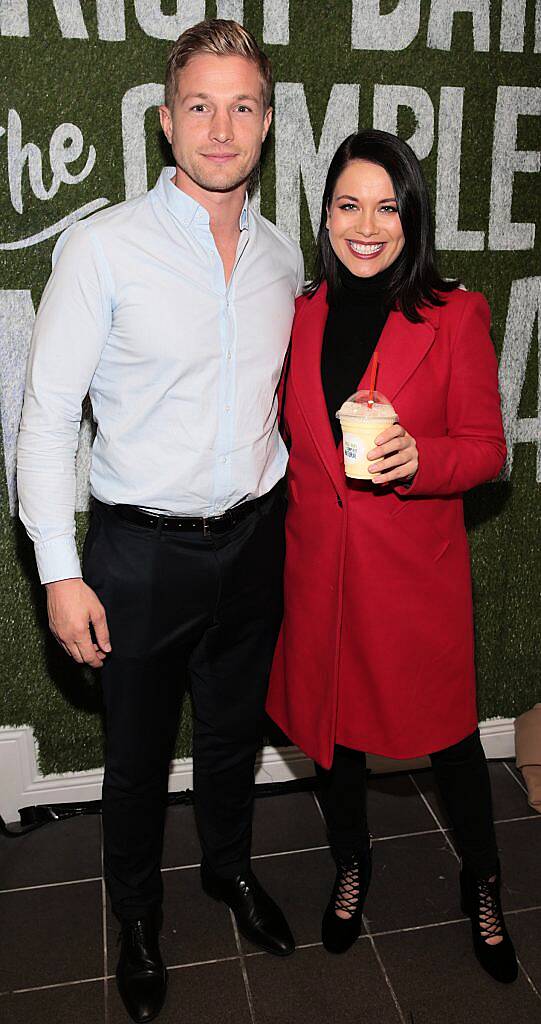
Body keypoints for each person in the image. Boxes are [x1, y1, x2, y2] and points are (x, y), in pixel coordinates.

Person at [17, 19, 304, 1023]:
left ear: (267, 123)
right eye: (199, 105)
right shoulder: (102, 249)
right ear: (165, 118)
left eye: (241, 106)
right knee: (135, 760)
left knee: (232, 738)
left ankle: (227, 870)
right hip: (137, 553)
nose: (220, 128)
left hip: (255, 539)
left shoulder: (279, 254)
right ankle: (135, 917)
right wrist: (59, 569)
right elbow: (47, 415)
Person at [266, 129, 518, 984]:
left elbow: (489, 449)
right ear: (325, 215)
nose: (365, 225)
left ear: (411, 217)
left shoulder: (456, 313)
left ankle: (482, 879)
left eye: (386, 206)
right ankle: (351, 863)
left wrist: (422, 458)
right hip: (319, 579)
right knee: (336, 745)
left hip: (413, 582)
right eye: (347, 205)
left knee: (451, 745)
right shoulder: (297, 314)